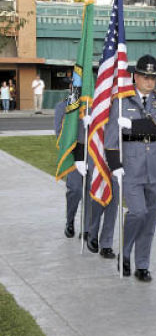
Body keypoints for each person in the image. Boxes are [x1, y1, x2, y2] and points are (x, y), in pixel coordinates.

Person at [104, 54, 156, 282]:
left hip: (155, 167)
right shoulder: (121, 101)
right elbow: (112, 137)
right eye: (145, 77)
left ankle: (142, 264)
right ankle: (124, 252)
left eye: (153, 77)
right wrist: (115, 166)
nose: (150, 81)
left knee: (150, 219)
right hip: (131, 168)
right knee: (137, 212)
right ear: (135, 76)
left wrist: (131, 126)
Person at [54, 90, 91, 239]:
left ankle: (87, 228)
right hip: (73, 155)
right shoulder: (62, 106)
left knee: (90, 192)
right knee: (75, 190)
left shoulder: (92, 105)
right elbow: (59, 132)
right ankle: (70, 221)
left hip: (91, 155)